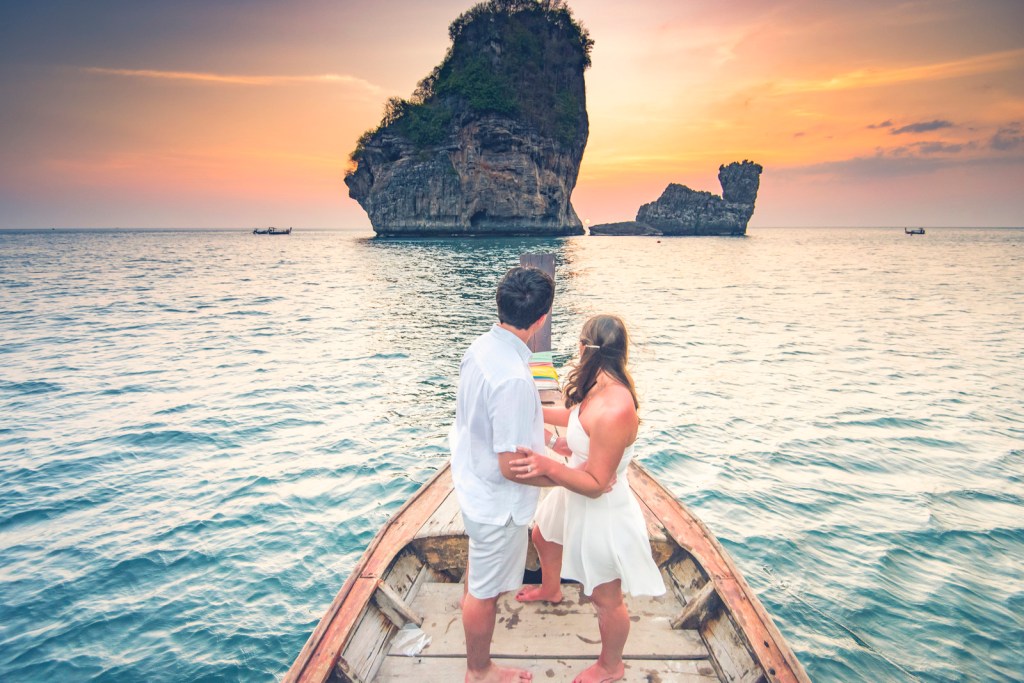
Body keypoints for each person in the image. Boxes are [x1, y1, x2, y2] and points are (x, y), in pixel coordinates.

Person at [510, 314, 666, 683]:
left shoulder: (616, 407)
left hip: (600, 507)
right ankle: (551, 590)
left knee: (604, 596)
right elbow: (576, 417)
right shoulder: (599, 385)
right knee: (543, 536)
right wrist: (532, 411)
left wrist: (545, 463)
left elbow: (596, 483)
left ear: (584, 348)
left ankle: (611, 666)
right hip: (575, 488)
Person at [449, 265, 555, 683]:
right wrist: (563, 476)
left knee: (479, 576)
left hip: (473, 484)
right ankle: (479, 670)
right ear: (542, 319)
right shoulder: (512, 376)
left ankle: (470, 610)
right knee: (485, 595)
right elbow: (512, 467)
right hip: (497, 503)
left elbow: (483, 418)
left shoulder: (479, 349)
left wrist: (536, 428)